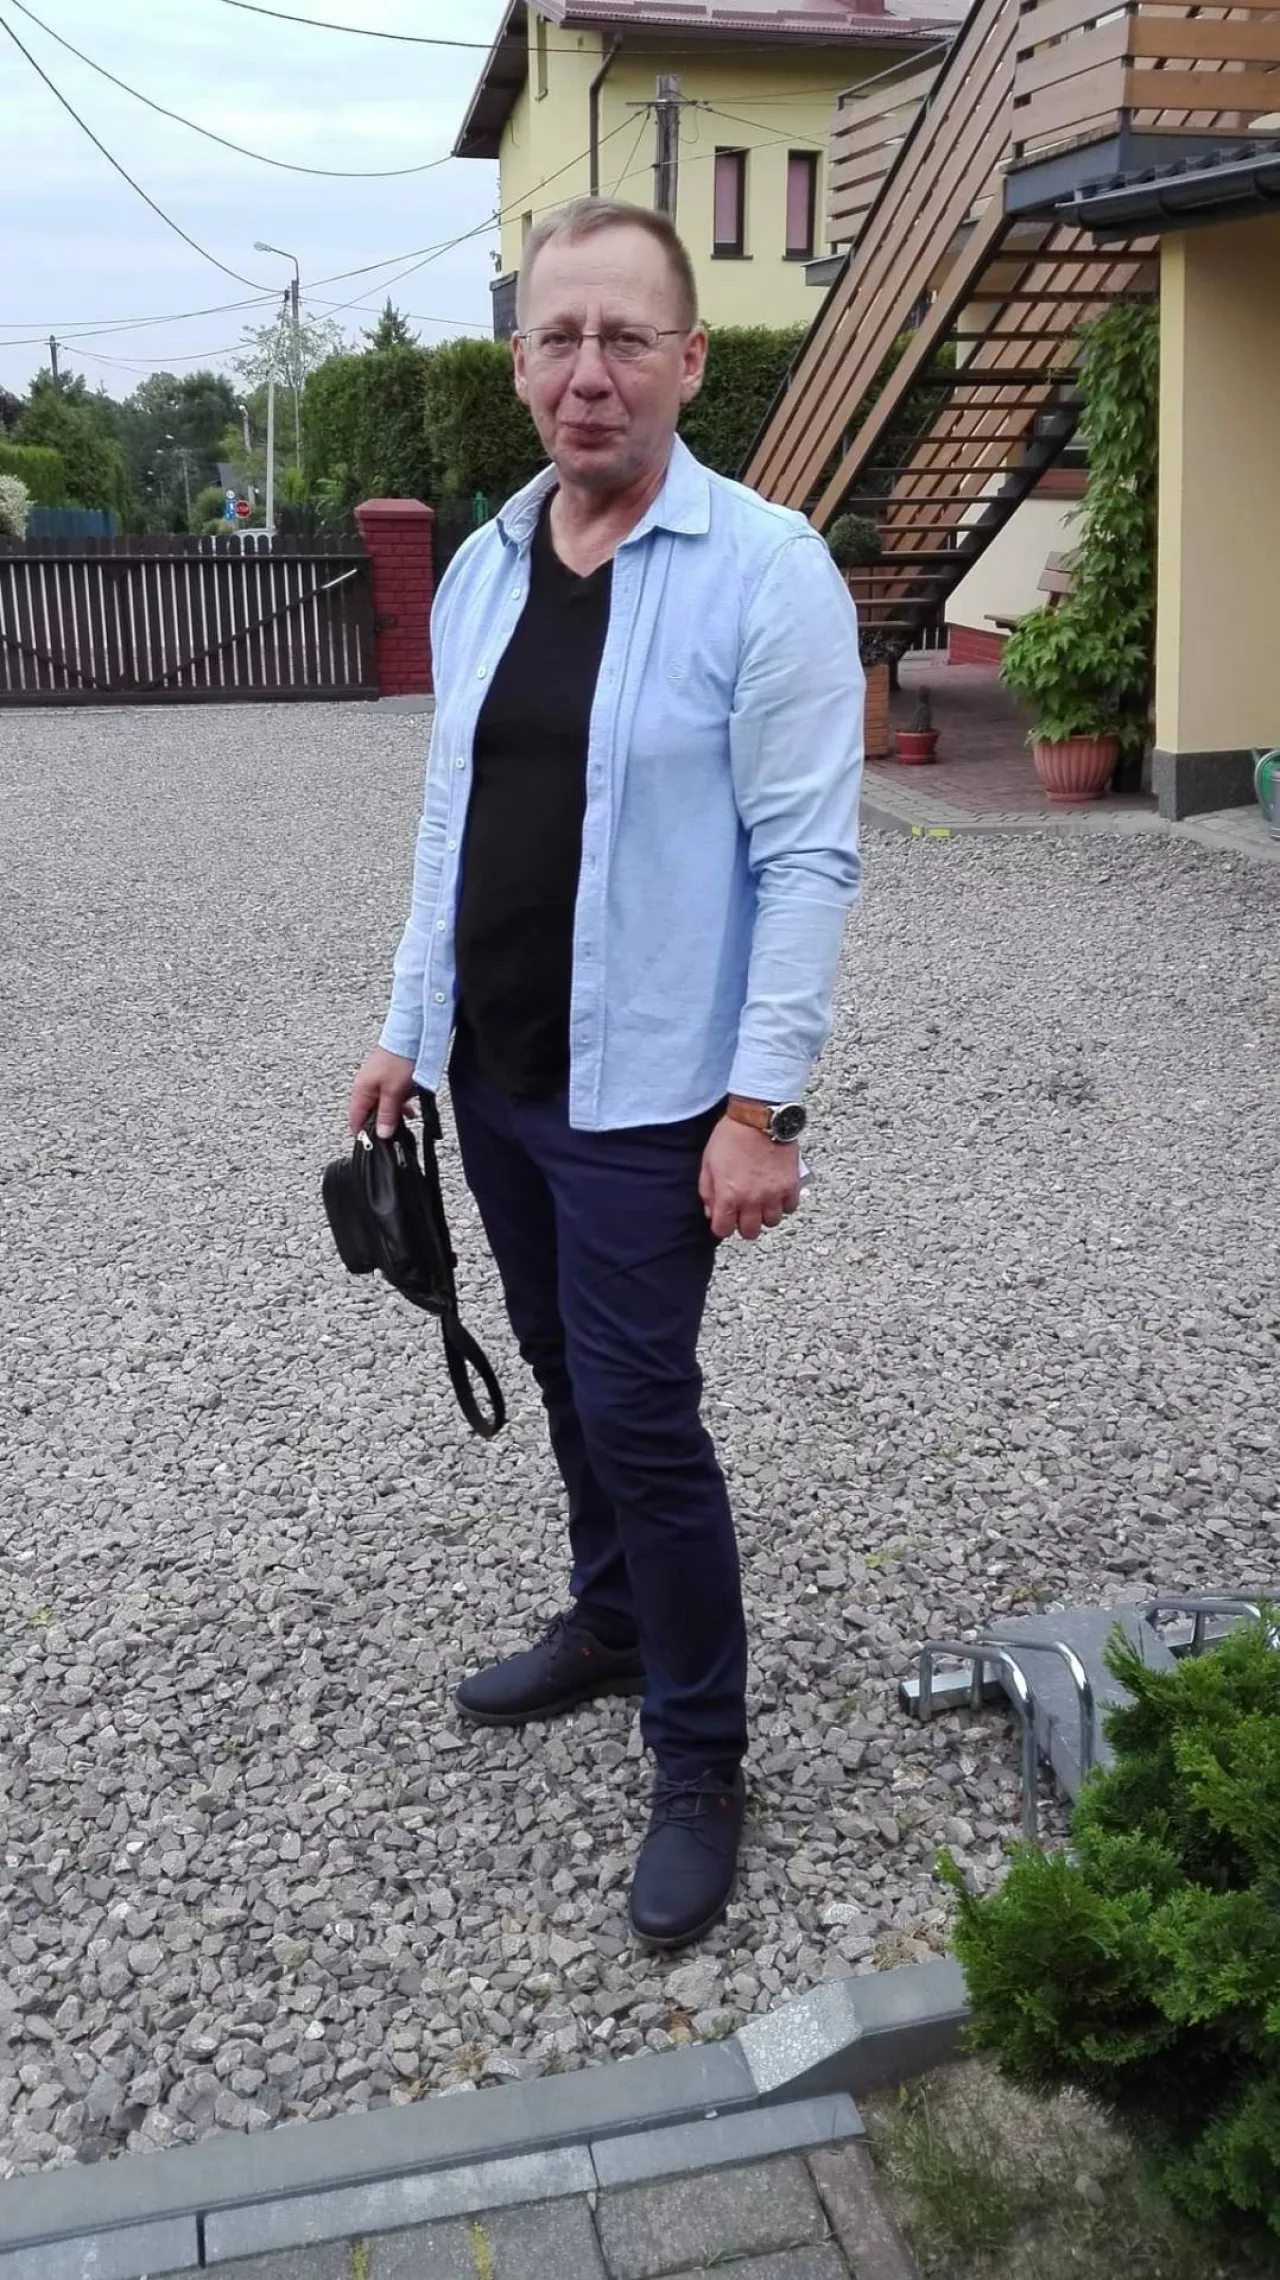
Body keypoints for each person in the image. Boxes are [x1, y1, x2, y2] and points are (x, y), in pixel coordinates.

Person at [350, 197, 863, 1952]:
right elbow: (453, 822)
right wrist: (406, 1026)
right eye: (560, 339)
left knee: (646, 1417)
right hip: (497, 1078)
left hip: (652, 1098)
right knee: (569, 1376)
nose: (590, 374)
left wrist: (760, 1109)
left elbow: (809, 857)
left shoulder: (767, 570)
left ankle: (701, 1754)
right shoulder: (488, 563)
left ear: (688, 361)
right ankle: (612, 1617)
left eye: (626, 339)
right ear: (521, 366)